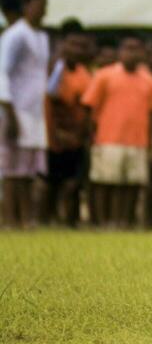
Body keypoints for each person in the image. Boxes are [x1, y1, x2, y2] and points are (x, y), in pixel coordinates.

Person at [82, 34, 152, 228]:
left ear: (142, 53)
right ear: (120, 52)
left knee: (131, 185)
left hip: (138, 140)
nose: (131, 53)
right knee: (105, 182)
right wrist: (89, 135)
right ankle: (102, 221)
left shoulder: (149, 80)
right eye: (127, 48)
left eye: (136, 49)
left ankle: (124, 221)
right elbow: (89, 107)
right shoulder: (104, 75)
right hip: (108, 138)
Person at [0, 0, 50, 228]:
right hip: (14, 108)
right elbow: (1, 73)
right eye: (39, 5)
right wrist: (8, 112)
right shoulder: (15, 35)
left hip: (35, 110)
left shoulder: (42, 37)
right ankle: (10, 220)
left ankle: (27, 220)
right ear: (26, 5)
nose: (43, 11)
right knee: (11, 170)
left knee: (28, 170)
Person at [44, 20, 92, 227]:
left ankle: (67, 223)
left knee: (73, 183)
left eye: (81, 46)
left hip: (76, 138)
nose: (77, 50)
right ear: (62, 44)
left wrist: (80, 135)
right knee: (50, 184)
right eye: (73, 44)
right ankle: (45, 221)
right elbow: (50, 100)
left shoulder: (84, 72)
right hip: (54, 136)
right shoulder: (54, 68)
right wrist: (56, 134)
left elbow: (87, 107)